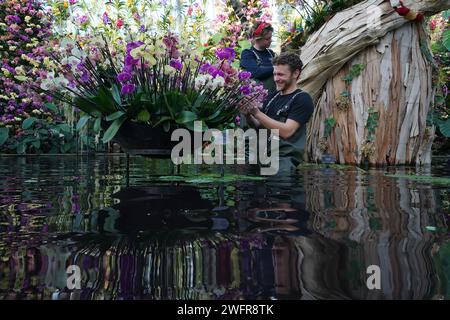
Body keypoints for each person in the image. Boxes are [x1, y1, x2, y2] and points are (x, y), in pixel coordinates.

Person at [242, 52, 314, 174]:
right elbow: (260, 127)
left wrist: (257, 113)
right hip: (263, 156)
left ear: (295, 73)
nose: (276, 79)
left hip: (283, 161)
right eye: (274, 74)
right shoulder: (271, 97)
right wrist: (248, 114)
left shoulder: (302, 99)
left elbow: (287, 131)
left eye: (280, 74)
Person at [240, 22, 276, 93]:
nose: (270, 40)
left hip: (275, 94)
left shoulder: (270, 53)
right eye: (267, 39)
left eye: (271, 38)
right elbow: (257, 72)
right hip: (259, 98)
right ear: (257, 38)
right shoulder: (247, 53)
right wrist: (277, 67)